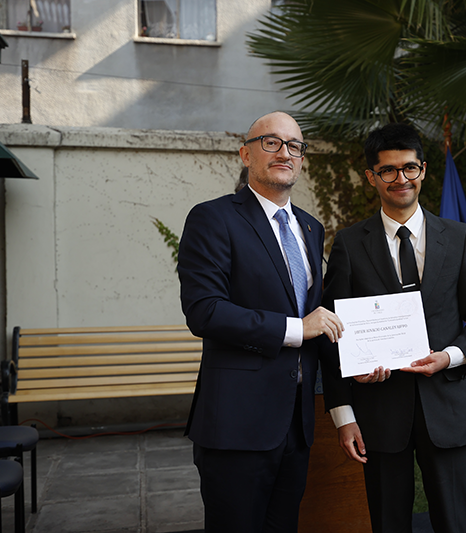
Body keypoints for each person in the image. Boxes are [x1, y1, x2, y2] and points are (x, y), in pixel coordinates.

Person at [320, 123, 466, 533]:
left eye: (409, 168)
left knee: (455, 524)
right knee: (388, 524)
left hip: (448, 408)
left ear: (423, 170)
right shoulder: (349, 244)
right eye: (388, 170)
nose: (400, 179)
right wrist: (342, 414)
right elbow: (333, 333)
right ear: (372, 177)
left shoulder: (457, 238)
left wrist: (450, 356)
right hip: (379, 413)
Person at [178, 111, 344, 532]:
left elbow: (320, 315)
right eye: (271, 142)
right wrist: (295, 328)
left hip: (296, 425)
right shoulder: (213, 218)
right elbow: (204, 310)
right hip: (238, 423)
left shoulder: (310, 227)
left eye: (294, 145)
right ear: (245, 153)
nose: (285, 152)